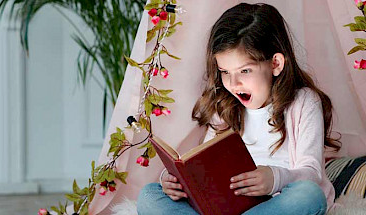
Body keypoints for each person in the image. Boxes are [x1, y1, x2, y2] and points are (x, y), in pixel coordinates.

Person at [137, 3, 341, 215]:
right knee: (150, 195)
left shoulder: (304, 102)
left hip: (277, 204)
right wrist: (174, 182)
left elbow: (312, 174)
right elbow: (205, 170)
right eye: (225, 72)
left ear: (276, 64)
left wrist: (274, 179)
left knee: (309, 195)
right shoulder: (224, 107)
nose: (234, 84)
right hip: (229, 207)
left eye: (245, 70)